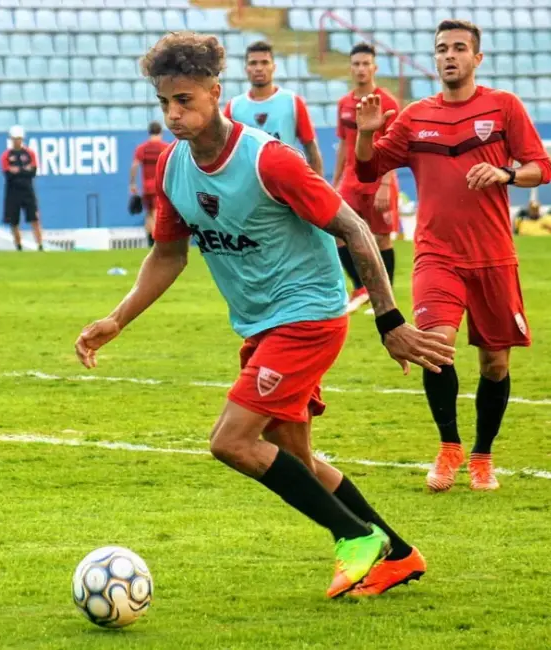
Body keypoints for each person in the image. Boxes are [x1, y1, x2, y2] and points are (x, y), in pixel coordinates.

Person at [75, 32, 452, 599]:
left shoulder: (268, 159)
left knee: (230, 441)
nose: (173, 114)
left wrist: (389, 320)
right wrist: (117, 319)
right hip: (261, 324)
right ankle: (397, 554)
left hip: (308, 315)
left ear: (215, 93)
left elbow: (353, 228)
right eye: (164, 103)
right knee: (295, 457)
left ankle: (355, 537)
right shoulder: (174, 167)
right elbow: (168, 254)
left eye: (184, 101)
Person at [355, 19, 551, 492]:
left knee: (495, 365)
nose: (449, 55)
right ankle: (449, 448)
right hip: (436, 255)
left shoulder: (503, 106)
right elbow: (369, 168)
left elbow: (540, 168)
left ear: (476, 58)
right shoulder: (415, 116)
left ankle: (483, 456)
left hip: (493, 256)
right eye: (442, 48)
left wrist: (505, 174)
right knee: (435, 346)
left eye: (459, 48)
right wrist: (365, 134)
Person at [333, 43, 401, 314]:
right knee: (338, 233)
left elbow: (394, 146)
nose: (361, 69)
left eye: (365, 64)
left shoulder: (388, 103)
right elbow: (343, 145)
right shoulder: (344, 103)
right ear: (350, 68)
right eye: (356, 64)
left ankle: (386, 300)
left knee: (382, 238)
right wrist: (336, 181)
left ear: (375, 68)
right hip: (351, 179)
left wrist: (386, 184)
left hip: (379, 178)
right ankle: (361, 288)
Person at [224, 41, 323, 175]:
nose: (259, 68)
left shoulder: (293, 102)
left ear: (274, 67)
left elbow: (311, 149)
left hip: (284, 181)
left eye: (265, 62)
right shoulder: (234, 107)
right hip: (247, 183)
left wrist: (318, 185)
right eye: (253, 63)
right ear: (246, 68)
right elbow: (222, 150)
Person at [0, 125, 43, 252]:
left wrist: (17, 170)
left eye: (18, 139)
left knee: (34, 218)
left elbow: (33, 172)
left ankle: (40, 245)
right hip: (12, 192)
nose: (17, 141)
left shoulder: (30, 153)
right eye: (14, 139)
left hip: (28, 190)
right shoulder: (6, 155)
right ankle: (18, 246)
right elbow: (7, 173)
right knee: (14, 221)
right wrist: (24, 170)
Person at [130, 121, 170, 247]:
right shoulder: (165, 147)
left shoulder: (142, 148)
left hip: (146, 187)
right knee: (158, 213)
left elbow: (135, 165)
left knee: (149, 213)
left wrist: (132, 184)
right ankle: (157, 241)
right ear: (161, 132)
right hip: (160, 186)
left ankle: (150, 241)